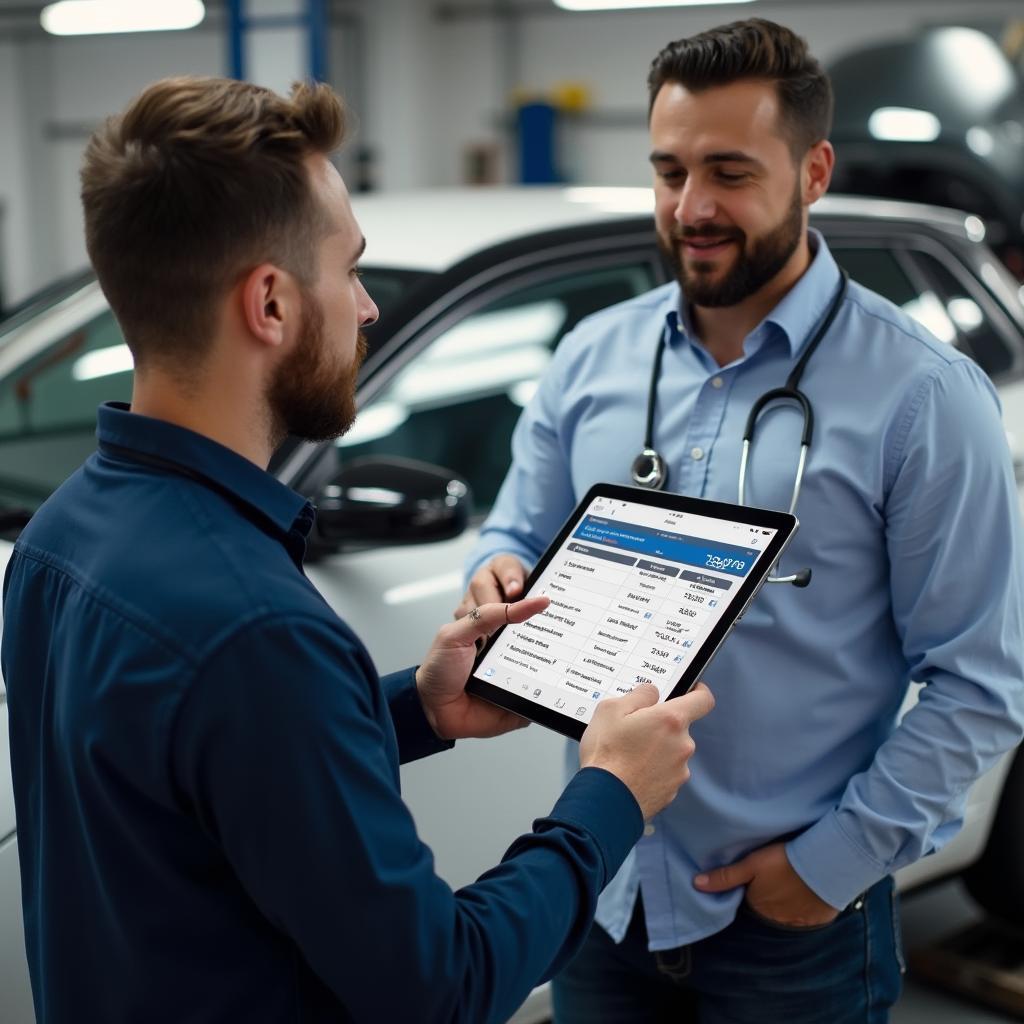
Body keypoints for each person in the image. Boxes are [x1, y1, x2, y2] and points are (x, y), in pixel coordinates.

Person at [0, 77, 715, 1024]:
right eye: (350, 270)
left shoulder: (61, 536)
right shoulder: (256, 629)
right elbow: (442, 986)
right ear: (270, 303)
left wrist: (412, 710)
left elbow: (202, 788)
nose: (367, 307)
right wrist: (611, 798)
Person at [461, 18, 1024, 1024]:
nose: (691, 207)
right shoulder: (592, 358)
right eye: (668, 170)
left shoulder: (923, 398)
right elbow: (515, 529)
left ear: (812, 172)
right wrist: (496, 570)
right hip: (602, 891)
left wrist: (824, 867)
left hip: (792, 931)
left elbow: (980, 683)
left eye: (727, 171)